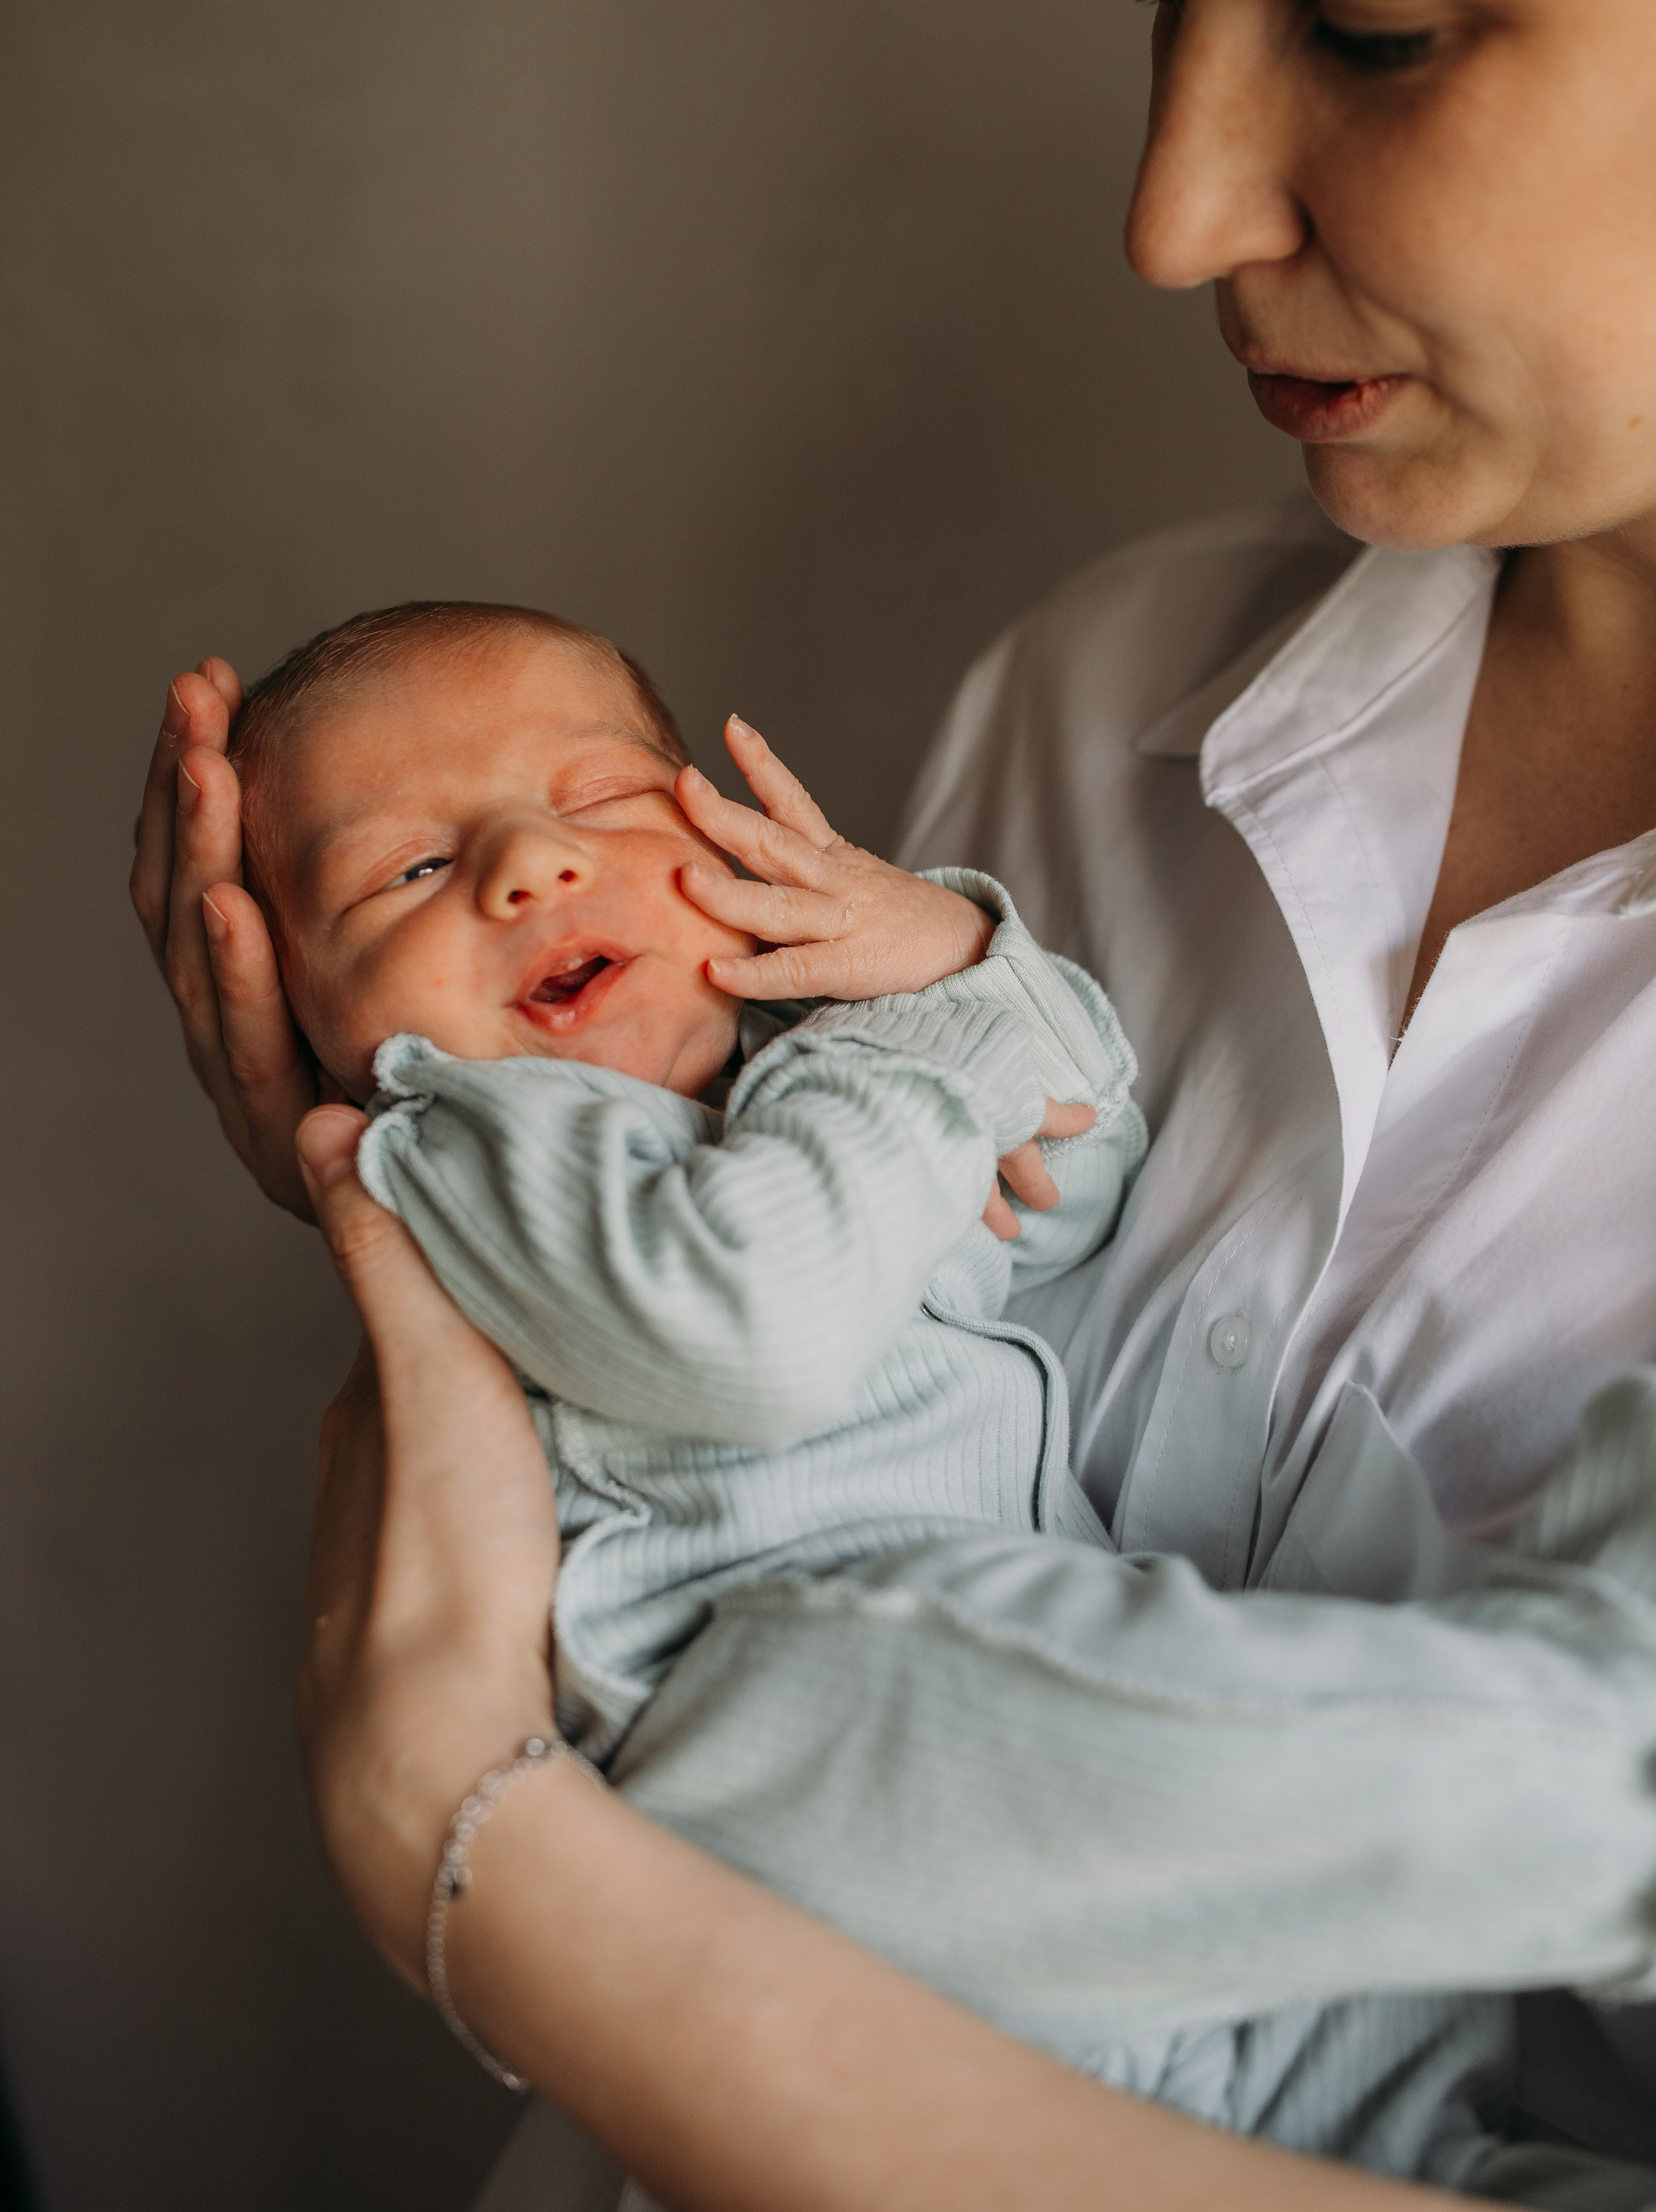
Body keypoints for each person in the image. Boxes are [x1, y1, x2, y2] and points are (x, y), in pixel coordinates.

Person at [128, 0, 1656, 2201]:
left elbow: (952, 1149)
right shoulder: (1101, 700)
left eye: (1370, 21)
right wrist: (435, 1243)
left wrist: (471, 1848)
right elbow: (963, 1205)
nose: (1166, 209)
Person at [218, 593, 1656, 2198]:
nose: (524, 866)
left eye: (603, 800)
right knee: (1175, 1736)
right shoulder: (466, 1133)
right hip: (781, 1716)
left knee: (1398, 2119)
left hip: (1012, 1885)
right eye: (404, 871)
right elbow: (743, 1322)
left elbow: (1068, 1184)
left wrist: (962, 964)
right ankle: (1601, 1776)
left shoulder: (789, 1084)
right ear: (306, 1018)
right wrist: (915, 1047)